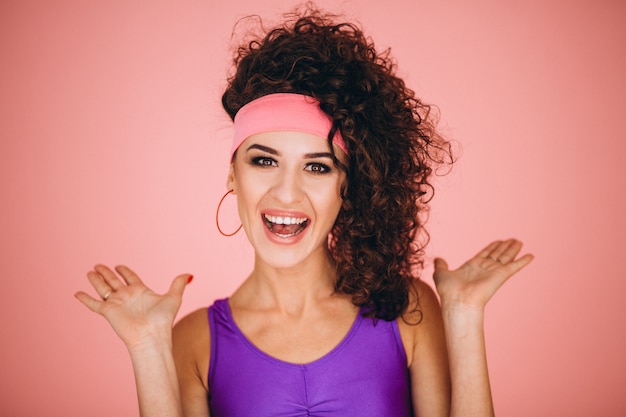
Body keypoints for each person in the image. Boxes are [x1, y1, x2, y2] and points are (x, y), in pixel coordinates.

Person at [75, 6, 533, 417]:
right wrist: (147, 348)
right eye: (264, 160)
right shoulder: (193, 341)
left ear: (347, 186)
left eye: (317, 166)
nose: (287, 193)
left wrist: (464, 314)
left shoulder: (405, 309)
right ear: (232, 174)